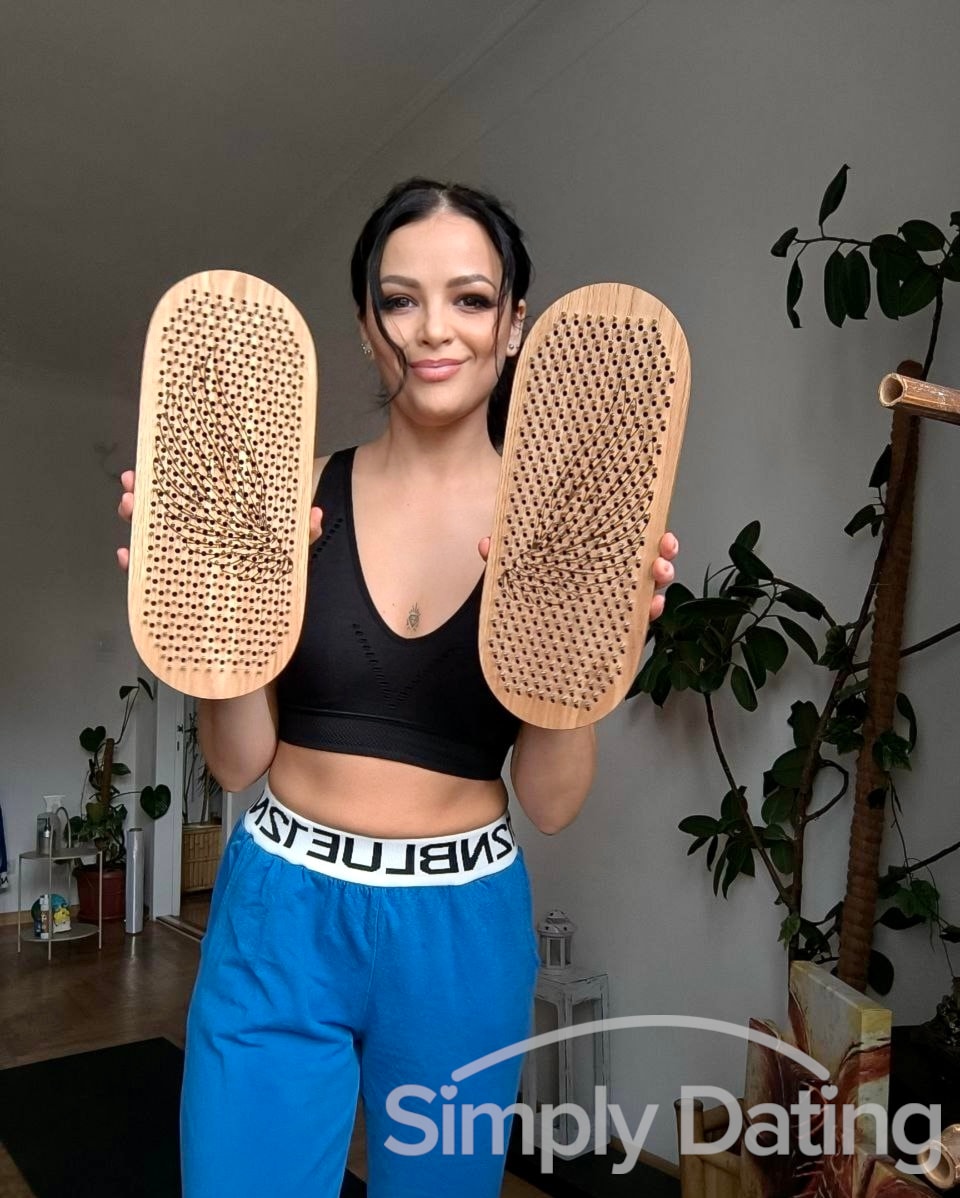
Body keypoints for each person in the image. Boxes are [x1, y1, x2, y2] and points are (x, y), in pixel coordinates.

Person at [118, 177, 679, 1198]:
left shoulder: (562, 528)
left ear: (514, 322)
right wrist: (214, 594)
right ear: (367, 326)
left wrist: (591, 641)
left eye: (470, 298)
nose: (434, 330)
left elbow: (551, 802)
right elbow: (237, 762)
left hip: (461, 929)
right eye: (400, 299)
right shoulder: (291, 494)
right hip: (280, 910)